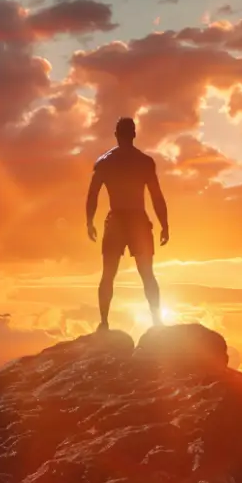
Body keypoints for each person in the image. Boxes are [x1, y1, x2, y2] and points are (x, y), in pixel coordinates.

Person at [85, 117, 169, 332]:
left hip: (117, 222)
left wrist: (89, 221)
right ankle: (157, 322)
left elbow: (93, 194)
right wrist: (164, 225)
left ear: (116, 134)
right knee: (147, 274)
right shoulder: (144, 162)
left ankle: (104, 323)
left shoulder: (105, 162)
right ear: (133, 134)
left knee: (108, 274)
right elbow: (156, 196)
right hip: (137, 221)